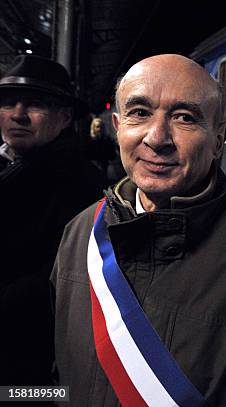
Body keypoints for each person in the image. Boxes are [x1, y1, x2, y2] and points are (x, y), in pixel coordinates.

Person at [51, 54, 226, 406]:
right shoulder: (81, 232)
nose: (157, 138)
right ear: (118, 127)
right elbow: (61, 368)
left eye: (184, 118)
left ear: (218, 140)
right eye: (140, 113)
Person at [0, 55, 102, 386]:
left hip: (29, 358)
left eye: (36, 104)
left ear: (64, 118)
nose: (18, 114)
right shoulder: (9, 164)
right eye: (8, 102)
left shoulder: (79, 183)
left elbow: (59, 278)